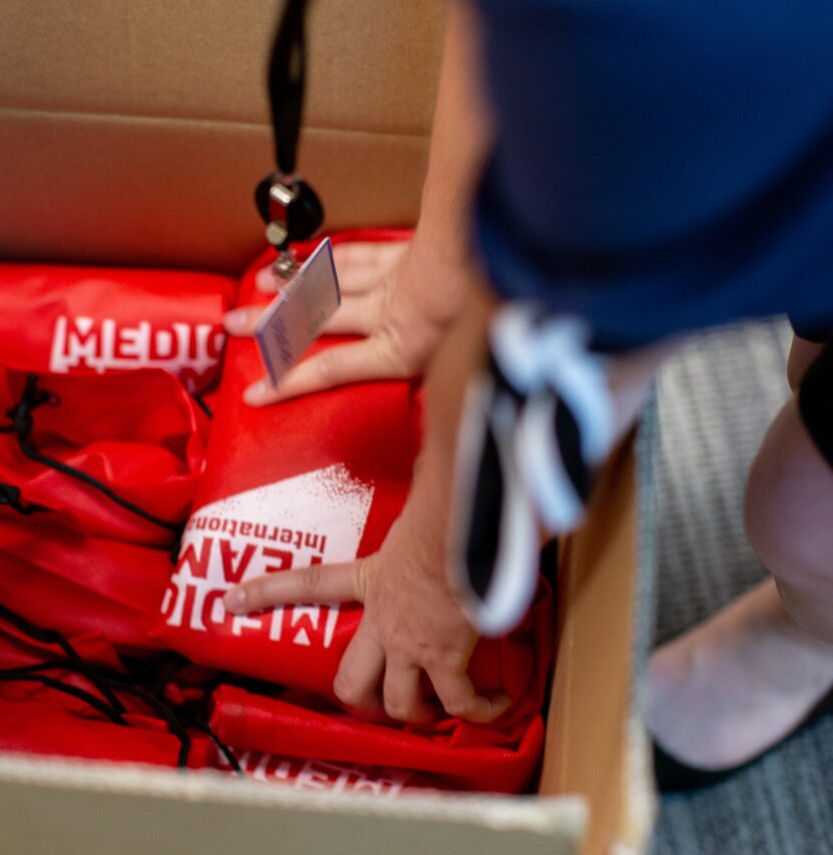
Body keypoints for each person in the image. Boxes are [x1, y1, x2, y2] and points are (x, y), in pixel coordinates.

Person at [223, 0, 833, 785]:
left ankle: (815, 635)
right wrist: (447, 262)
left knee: (800, 512)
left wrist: (431, 577)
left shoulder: (668, 63)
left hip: (730, 86)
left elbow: (554, 385)